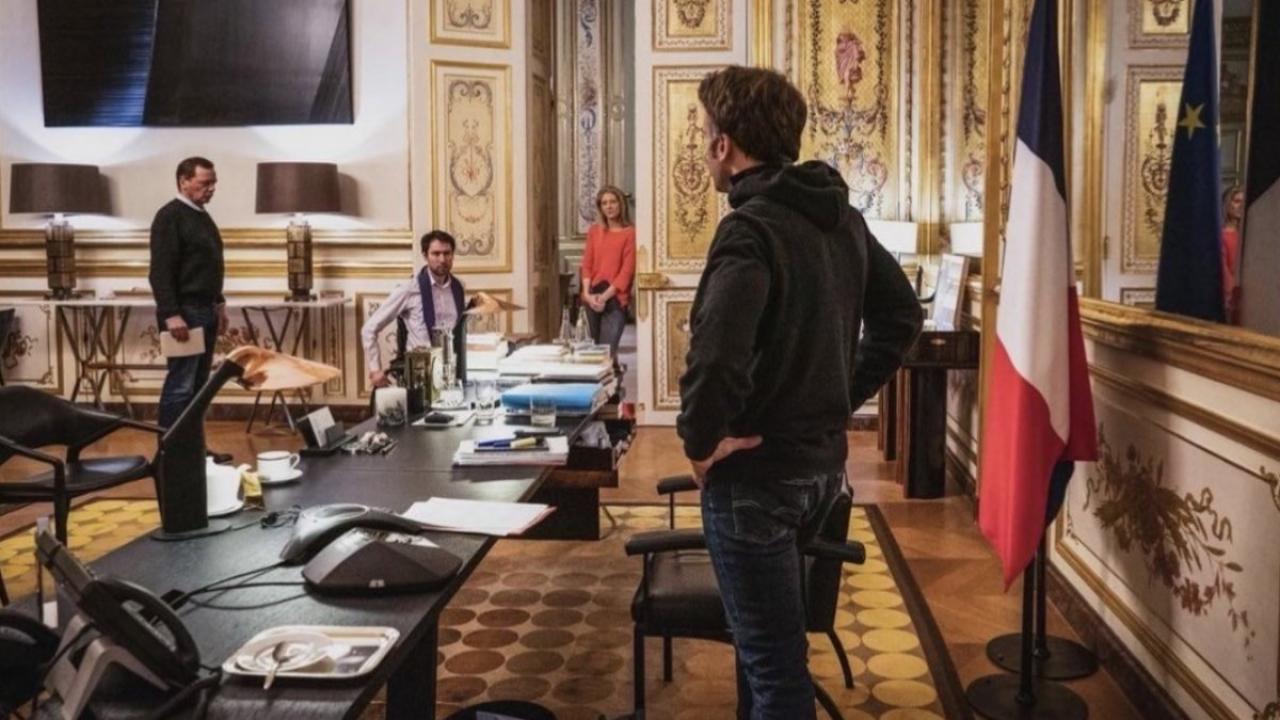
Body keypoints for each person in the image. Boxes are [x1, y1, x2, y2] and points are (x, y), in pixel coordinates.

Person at [677, 66, 922, 718]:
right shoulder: (841, 219)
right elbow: (902, 318)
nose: (704, 147)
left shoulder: (750, 229)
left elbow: (716, 359)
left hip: (756, 481)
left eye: (705, 134)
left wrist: (699, 444)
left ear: (725, 143)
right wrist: (839, 399)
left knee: (776, 673)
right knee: (763, 650)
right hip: (820, 473)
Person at [149, 157, 227, 433]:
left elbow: (208, 266)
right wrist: (171, 314)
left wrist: (219, 304)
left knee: (198, 387)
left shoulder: (201, 215)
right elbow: (160, 272)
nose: (211, 188)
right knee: (180, 386)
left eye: (213, 182)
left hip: (205, 309)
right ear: (184, 181)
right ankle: (170, 448)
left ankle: (193, 447)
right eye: (205, 183)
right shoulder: (170, 216)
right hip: (185, 312)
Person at [361, 230, 468, 388]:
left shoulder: (459, 287)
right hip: (420, 375)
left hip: (452, 371)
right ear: (425, 256)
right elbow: (369, 329)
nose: (442, 259)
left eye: (447, 253)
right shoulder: (410, 289)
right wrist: (375, 369)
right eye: (436, 254)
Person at [579, 185, 636, 362]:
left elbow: (626, 273)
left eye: (613, 202)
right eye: (604, 203)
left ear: (621, 204)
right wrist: (587, 294)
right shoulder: (594, 231)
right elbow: (587, 265)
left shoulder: (630, 233)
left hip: (615, 299)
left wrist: (604, 297)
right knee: (590, 354)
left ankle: (613, 379)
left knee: (607, 353)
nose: (609, 206)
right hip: (592, 296)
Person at [1221, 185, 1244, 324]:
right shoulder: (1222, 236)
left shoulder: (1248, 233)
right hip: (1232, 299)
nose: (1241, 205)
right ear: (1227, 205)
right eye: (1236, 201)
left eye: (1243, 201)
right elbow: (1224, 270)